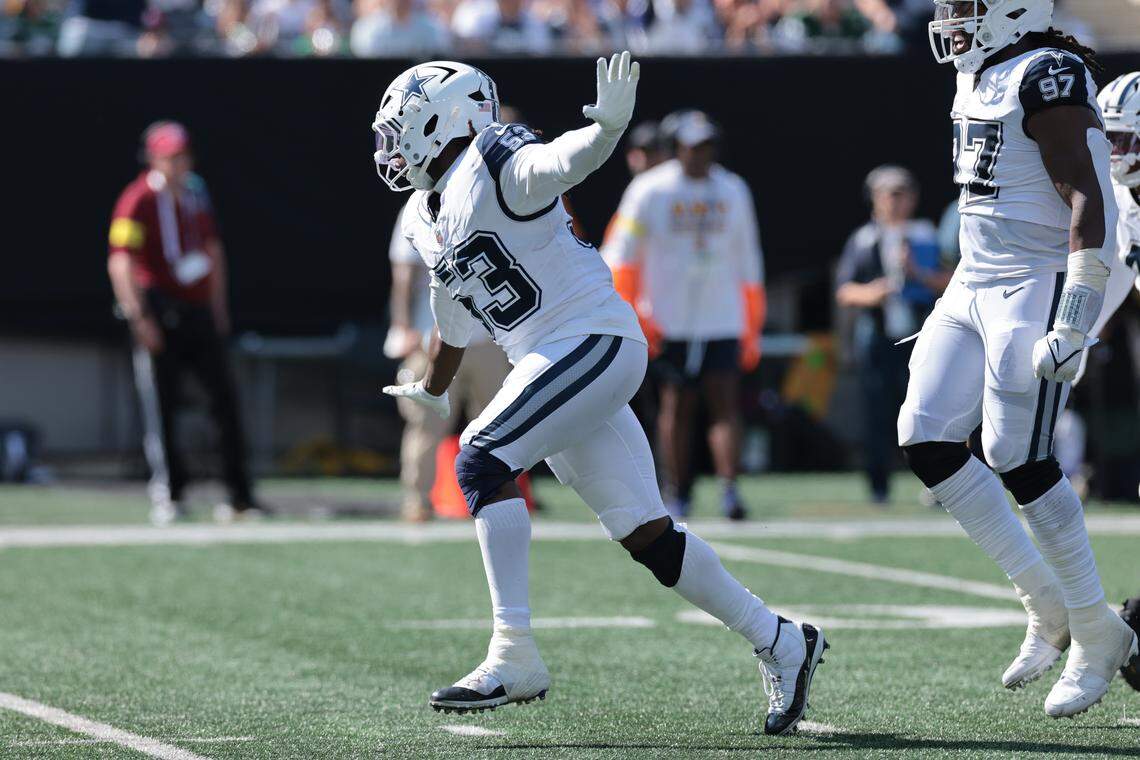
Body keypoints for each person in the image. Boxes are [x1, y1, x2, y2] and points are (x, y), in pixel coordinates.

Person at [374, 54, 826, 734]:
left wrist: (607, 129)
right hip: (551, 360)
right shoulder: (422, 212)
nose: (392, 142)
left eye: (403, 125)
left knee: (481, 461)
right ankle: (783, 641)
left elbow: (556, 165)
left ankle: (513, 652)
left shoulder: (495, 158)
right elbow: (454, 315)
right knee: (648, 535)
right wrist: (435, 389)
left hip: (591, 339)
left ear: (447, 119)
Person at [902, 0, 1138, 718]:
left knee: (1017, 455)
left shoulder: (1049, 72)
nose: (953, 19)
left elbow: (1085, 193)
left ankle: (1098, 633)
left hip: (1035, 278)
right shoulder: (975, 72)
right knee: (925, 436)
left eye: (967, 6)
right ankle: (1047, 601)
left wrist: (1074, 315)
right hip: (974, 278)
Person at [602, 110, 765, 520]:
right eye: (693, 147)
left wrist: (752, 323)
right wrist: (637, 315)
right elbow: (622, 255)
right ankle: (678, 490)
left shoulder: (732, 189)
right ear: (676, 149)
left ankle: (730, 488)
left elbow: (749, 259)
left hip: (722, 315)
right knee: (677, 406)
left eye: (707, 146)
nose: (700, 156)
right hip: (668, 316)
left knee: (725, 404)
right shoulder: (650, 190)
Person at [107, 122, 264, 525]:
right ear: (154, 158)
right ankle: (171, 494)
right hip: (160, 310)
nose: (180, 163)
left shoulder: (196, 194)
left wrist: (218, 306)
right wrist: (139, 315)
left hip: (198, 310)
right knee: (163, 405)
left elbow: (212, 250)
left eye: (184, 155)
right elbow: (121, 258)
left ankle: (239, 495)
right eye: (171, 156)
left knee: (223, 402)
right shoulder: (137, 198)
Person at [386, 198, 514, 522]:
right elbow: (404, 275)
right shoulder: (418, 207)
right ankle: (421, 499)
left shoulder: (484, 199)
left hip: (485, 335)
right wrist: (403, 326)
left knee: (498, 423)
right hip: (437, 335)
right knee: (428, 422)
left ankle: (498, 492)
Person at [835, 165, 947, 503]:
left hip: (919, 334)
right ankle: (879, 486)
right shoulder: (864, 239)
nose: (896, 202)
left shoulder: (927, 235)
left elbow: (951, 279)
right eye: (889, 194)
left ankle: (938, 483)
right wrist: (874, 293)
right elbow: (845, 290)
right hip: (878, 336)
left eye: (903, 193)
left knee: (929, 409)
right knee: (877, 413)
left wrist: (919, 275)